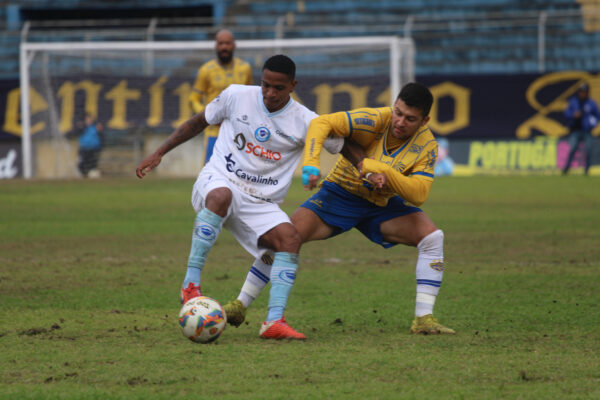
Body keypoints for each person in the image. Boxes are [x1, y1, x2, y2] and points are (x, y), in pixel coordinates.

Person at [136, 55, 342, 340]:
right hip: (220, 179)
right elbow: (198, 122)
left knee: (289, 240)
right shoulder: (236, 96)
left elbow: (344, 143)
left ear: (293, 85)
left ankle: (273, 322)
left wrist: (369, 169)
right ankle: (190, 285)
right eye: (265, 85)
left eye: (278, 88)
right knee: (222, 196)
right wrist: (159, 152)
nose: (269, 93)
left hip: (261, 202)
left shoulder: (308, 121)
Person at [224, 82, 455, 335]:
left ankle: (423, 319)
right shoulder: (375, 118)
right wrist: (311, 164)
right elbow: (321, 123)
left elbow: (419, 194)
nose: (399, 122)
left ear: (425, 121)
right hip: (338, 194)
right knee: (286, 237)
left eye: (410, 119)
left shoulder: (427, 146)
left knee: (433, 238)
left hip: (382, 205)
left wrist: (382, 170)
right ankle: (240, 305)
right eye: (398, 112)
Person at [189, 29, 253, 165]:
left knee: (239, 175)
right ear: (216, 46)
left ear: (234, 45)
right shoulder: (206, 70)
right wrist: (208, 114)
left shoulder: (245, 68)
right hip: (214, 133)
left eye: (228, 43)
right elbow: (193, 99)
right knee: (210, 174)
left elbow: (251, 97)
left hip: (238, 132)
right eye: (221, 43)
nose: (224, 47)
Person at [562, 82, 599, 175]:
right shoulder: (573, 102)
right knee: (573, 148)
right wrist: (573, 115)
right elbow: (566, 113)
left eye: (584, 91)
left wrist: (591, 124)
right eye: (581, 91)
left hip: (587, 131)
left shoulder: (591, 103)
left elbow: (597, 116)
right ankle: (566, 169)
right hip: (575, 130)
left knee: (588, 150)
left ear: (587, 92)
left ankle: (587, 170)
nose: (582, 93)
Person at [76, 113, 103, 178]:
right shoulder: (82, 128)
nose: (88, 120)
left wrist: (100, 147)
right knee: (81, 164)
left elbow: (101, 137)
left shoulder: (95, 127)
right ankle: (83, 176)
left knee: (92, 165)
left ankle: (91, 178)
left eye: (89, 119)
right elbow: (75, 133)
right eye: (87, 119)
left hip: (93, 149)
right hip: (84, 149)